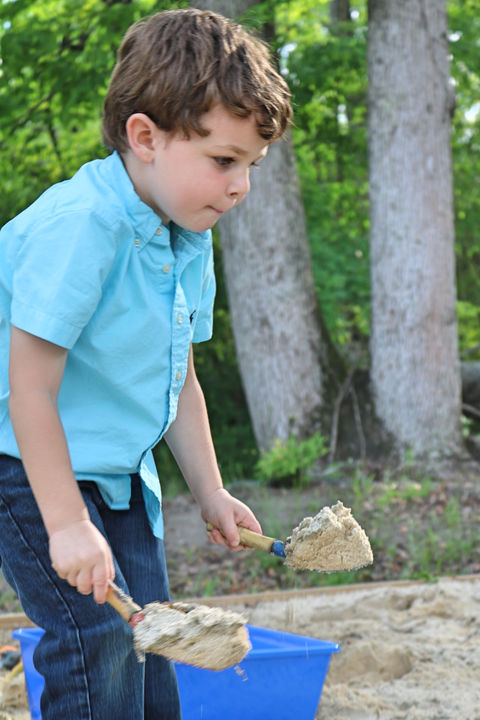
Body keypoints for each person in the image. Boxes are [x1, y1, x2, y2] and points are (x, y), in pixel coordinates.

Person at [0, 8, 292, 720]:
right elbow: (28, 388)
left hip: (122, 474)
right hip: (27, 465)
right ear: (145, 137)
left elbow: (178, 376)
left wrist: (211, 490)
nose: (240, 186)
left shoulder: (186, 233)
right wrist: (67, 524)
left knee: (155, 637)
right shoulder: (81, 227)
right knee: (96, 640)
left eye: (251, 166)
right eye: (223, 161)